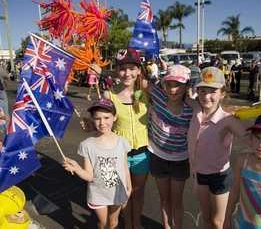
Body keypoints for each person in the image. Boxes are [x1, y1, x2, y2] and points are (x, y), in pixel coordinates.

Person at [187, 67, 248, 229]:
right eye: (202, 91)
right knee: (206, 218)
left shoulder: (228, 120)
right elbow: (179, 94)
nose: (206, 96)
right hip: (199, 174)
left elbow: (249, 138)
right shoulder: (196, 108)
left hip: (220, 177)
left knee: (219, 221)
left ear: (222, 93)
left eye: (213, 91)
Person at [63, 99, 132, 229]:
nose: (102, 123)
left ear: (115, 117)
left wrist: (129, 187)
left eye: (106, 117)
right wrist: (77, 168)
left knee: (113, 222)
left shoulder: (122, 142)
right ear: (92, 119)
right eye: (97, 118)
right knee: (103, 224)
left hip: (118, 192)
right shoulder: (87, 145)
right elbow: (89, 176)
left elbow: (124, 167)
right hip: (98, 194)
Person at [104, 48, 149, 229]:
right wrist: (89, 123)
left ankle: (136, 224)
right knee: (123, 194)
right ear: (117, 70)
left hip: (142, 154)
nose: (127, 73)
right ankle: (128, 224)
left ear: (139, 70)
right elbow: (101, 123)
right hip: (119, 155)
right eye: (122, 68)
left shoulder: (147, 92)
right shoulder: (109, 95)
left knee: (138, 193)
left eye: (132, 68)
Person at [148, 64, 192, 229]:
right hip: (158, 156)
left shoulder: (191, 109)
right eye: (169, 84)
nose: (173, 89)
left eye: (178, 85)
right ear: (164, 84)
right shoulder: (158, 96)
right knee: (164, 199)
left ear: (187, 85)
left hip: (180, 160)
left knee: (176, 200)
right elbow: (141, 80)